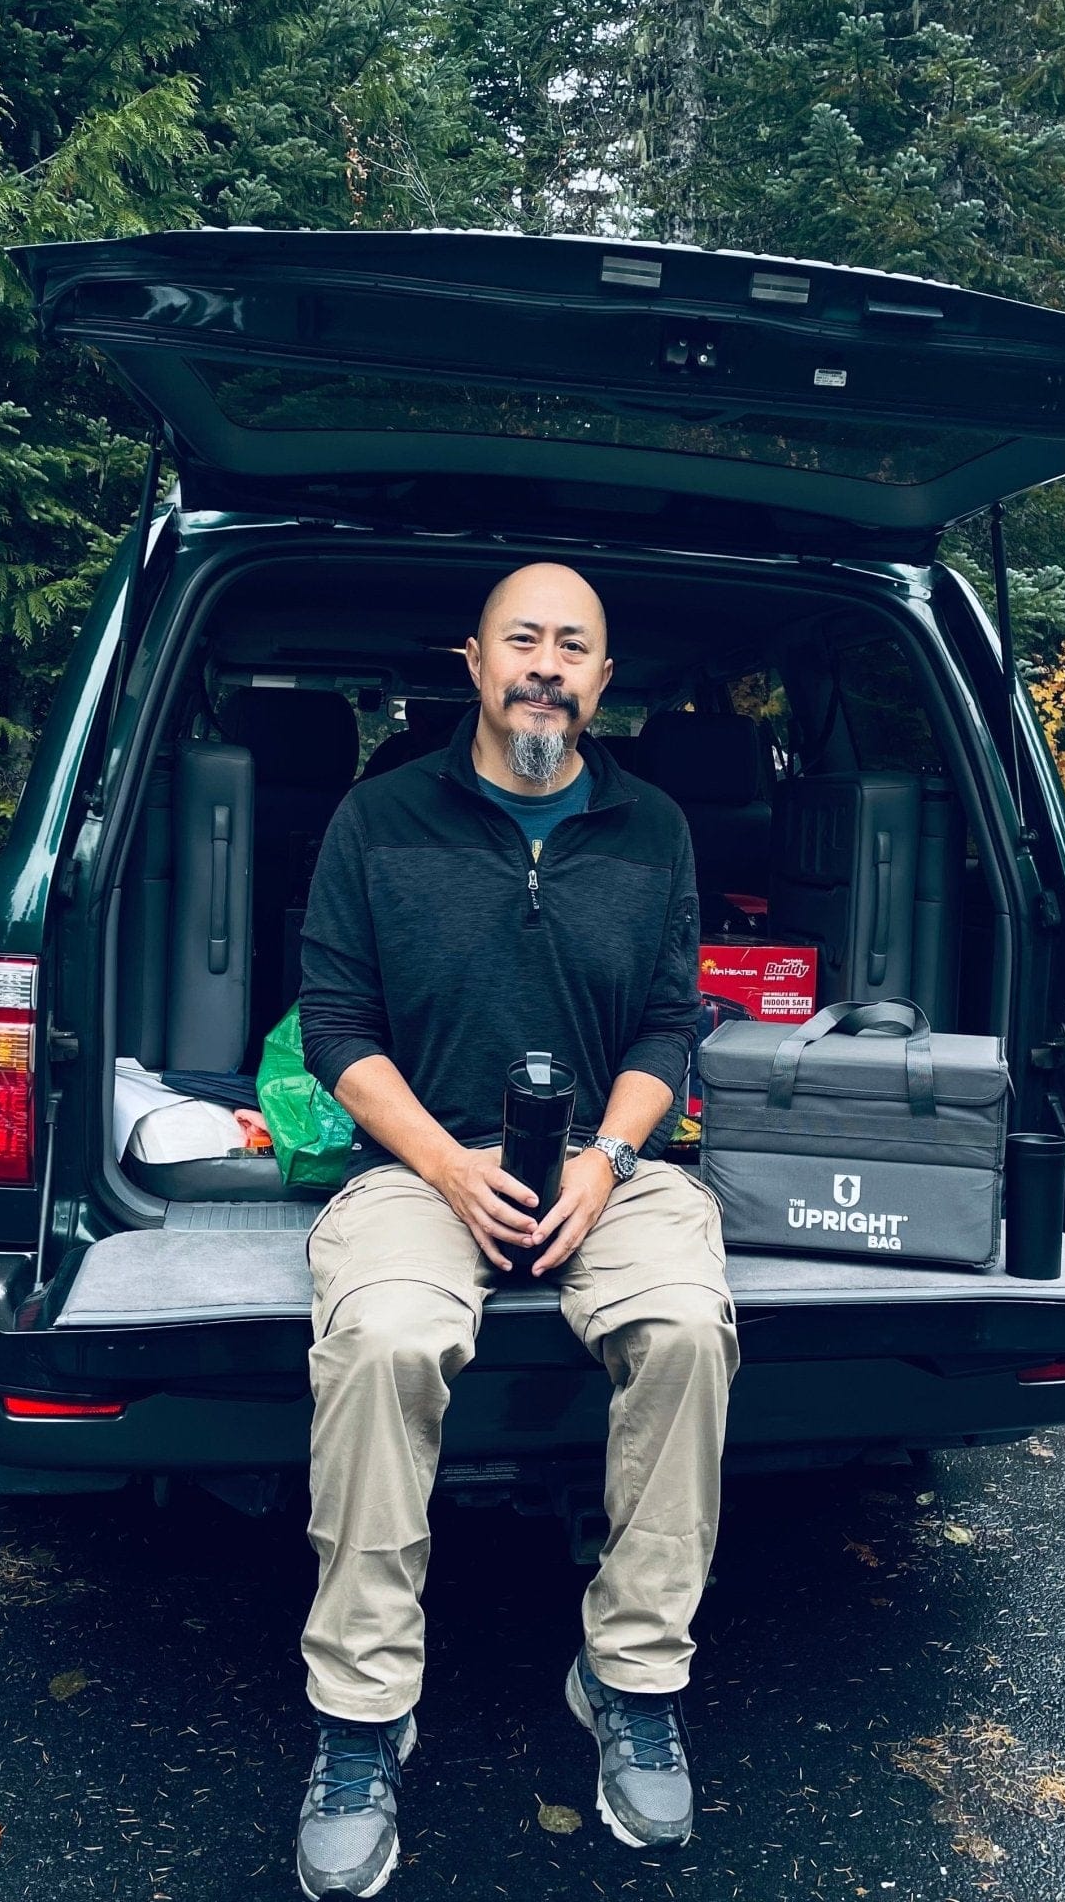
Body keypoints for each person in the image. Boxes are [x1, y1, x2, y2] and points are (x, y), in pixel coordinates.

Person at [292, 562, 738, 1900]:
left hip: (609, 1166)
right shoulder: (376, 821)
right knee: (381, 1343)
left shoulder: (653, 828)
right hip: (420, 1170)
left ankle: (630, 1681)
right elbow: (334, 1027)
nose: (546, 664)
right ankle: (361, 1718)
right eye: (522, 639)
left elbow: (670, 1022)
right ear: (471, 662)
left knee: (682, 1334)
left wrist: (608, 1160)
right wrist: (443, 1163)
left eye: (575, 647)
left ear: (602, 684)